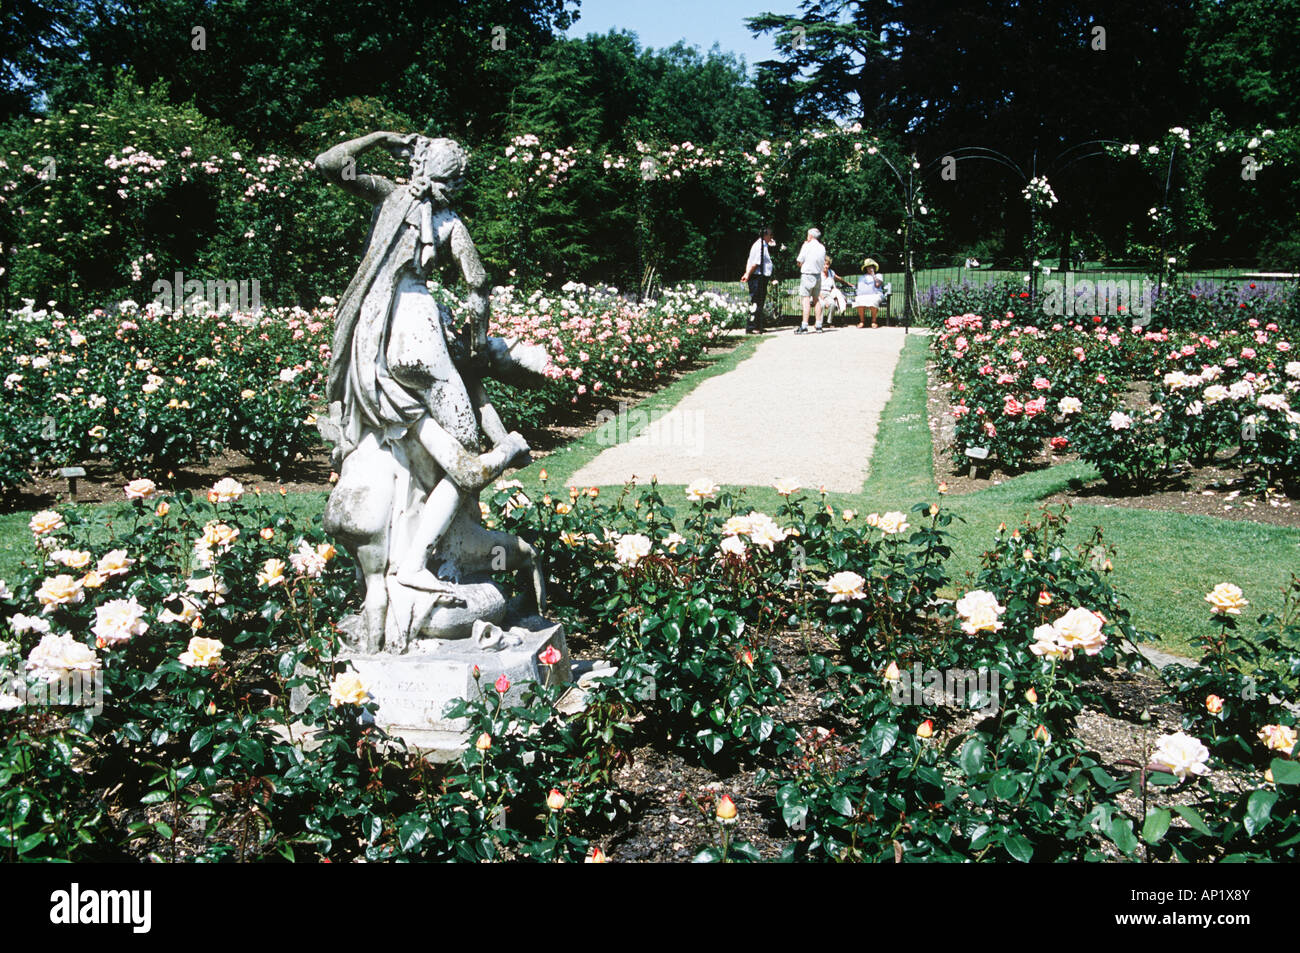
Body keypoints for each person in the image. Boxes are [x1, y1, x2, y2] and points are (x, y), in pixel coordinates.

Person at [740, 226, 775, 334]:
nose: (772, 237)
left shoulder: (763, 245)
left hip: (761, 276)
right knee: (756, 301)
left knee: (760, 301)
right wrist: (747, 274)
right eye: (770, 235)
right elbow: (755, 263)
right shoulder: (759, 246)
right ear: (765, 235)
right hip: (757, 276)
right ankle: (752, 327)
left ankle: (758, 325)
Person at [795, 228, 827, 333]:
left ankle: (804, 325)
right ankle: (818, 325)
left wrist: (801, 265)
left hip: (807, 274)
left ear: (811, 236)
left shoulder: (806, 245)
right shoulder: (822, 247)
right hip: (818, 275)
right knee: (817, 299)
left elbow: (799, 261)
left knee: (806, 299)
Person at [819, 255, 854, 325]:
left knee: (832, 304)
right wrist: (823, 299)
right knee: (822, 304)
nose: (826, 266)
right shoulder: (818, 273)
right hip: (818, 294)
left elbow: (839, 279)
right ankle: (819, 323)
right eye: (824, 264)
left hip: (828, 294)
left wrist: (847, 283)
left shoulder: (831, 272)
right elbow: (815, 288)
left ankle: (829, 322)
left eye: (827, 264)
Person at [854, 258, 888, 328]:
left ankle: (874, 321)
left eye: (872, 266)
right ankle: (862, 321)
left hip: (876, 294)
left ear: (875, 267)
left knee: (873, 300)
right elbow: (860, 288)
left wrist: (873, 275)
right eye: (868, 267)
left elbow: (877, 284)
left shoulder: (878, 275)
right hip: (864, 295)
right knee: (859, 300)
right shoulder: (862, 277)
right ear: (866, 268)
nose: (870, 268)